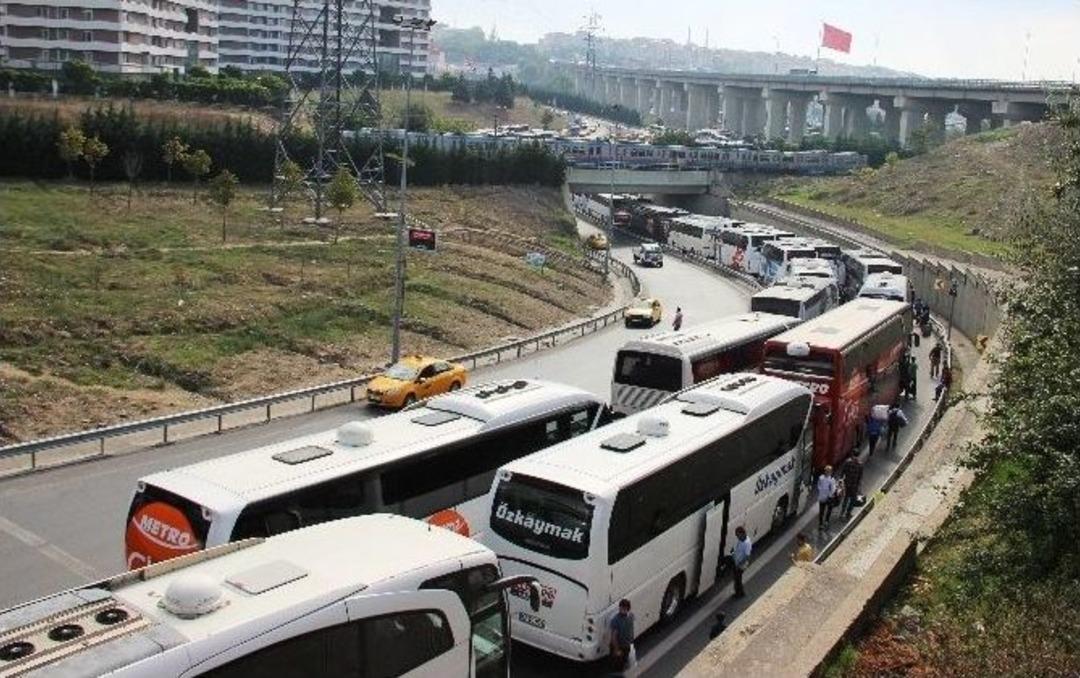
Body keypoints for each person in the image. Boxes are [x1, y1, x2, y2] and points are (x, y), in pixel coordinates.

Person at [608, 598, 635, 673]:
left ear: (628, 609)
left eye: (624, 608)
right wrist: (616, 649)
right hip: (618, 646)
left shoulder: (631, 616)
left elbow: (630, 629)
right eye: (621, 608)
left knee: (623, 663)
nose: (622, 610)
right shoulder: (616, 620)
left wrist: (631, 641)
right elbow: (613, 637)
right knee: (617, 665)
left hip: (626, 645)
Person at [840, 452, 864, 519]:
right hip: (854, 485)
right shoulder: (860, 465)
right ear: (859, 455)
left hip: (847, 484)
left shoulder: (847, 462)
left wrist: (841, 481)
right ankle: (848, 513)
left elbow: (842, 472)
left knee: (845, 499)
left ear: (852, 455)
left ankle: (842, 513)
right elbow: (860, 477)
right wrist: (859, 486)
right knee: (852, 500)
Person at [731, 526, 752, 598]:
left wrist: (739, 564)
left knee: (737, 579)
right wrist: (733, 553)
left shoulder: (747, 543)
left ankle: (739, 593)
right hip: (737, 562)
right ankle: (740, 592)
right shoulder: (742, 540)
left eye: (738, 535)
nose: (737, 537)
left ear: (742, 534)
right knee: (737, 578)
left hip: (741, 565)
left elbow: (747, 557)